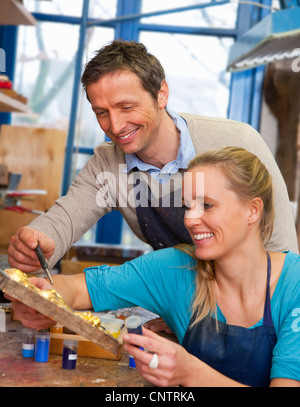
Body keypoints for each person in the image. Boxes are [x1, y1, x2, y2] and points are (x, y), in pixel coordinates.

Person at [7, 40, 298, 333]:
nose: (116, 126)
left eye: (126, 107)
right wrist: (35, 241)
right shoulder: (109, 163)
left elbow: (282, 250)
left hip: (256, 316)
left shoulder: (237, 142)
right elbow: (65, 219)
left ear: (161, 94)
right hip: (184, 309)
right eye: (102, 112)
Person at [8, 147, 300, 387]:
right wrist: (43, 296)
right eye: (188, 206)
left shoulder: (295, 284)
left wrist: (192, 374)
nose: (190, 219)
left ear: (253, 210)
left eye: (207, 205)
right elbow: (77, 288)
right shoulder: (176, 269)